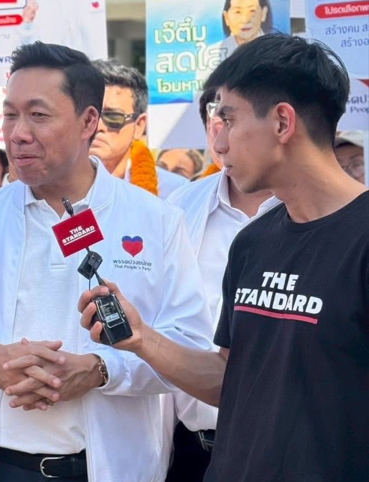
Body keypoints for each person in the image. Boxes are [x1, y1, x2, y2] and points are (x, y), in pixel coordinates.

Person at [0, 42, 212, 482]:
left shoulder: (155, 220)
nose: (18, 133)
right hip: (0, 465)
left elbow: (188, 346)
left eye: (38, 115)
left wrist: (101, 370)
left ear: (89, 120)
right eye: (10, 115)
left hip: (112, 466)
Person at [78, 34, 369, 482]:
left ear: (282, 122)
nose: (221, 142)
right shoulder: (254, 242)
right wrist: (140, 338)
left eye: (229, 120)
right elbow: (229, 379)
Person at [162, 87, 277, 482]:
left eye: (232, 119)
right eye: (216, 120)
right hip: (192, 447)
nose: (223, 137)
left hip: (283, 451)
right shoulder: (178, 208)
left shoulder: (316, 214)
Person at [89, 58, 187, 199]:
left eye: (113, 117)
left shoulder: (175, 192)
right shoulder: (55, 186)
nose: (98, 126)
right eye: (89, 116)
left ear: (139, 126)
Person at [197, 0, 273, 81]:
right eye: (237, 12)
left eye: (252, 11)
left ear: (263, 13)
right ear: (226, 17)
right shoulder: (210, 54)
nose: (245, 20)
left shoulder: (276, 49)